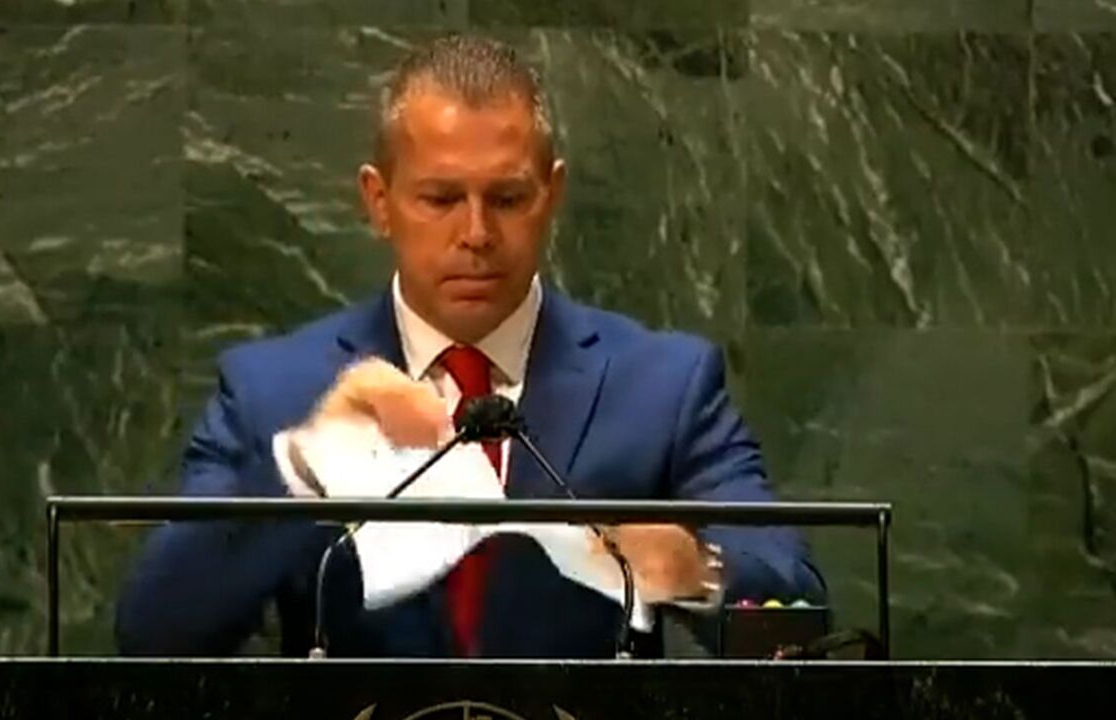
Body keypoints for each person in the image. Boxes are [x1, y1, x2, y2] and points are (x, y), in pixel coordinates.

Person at [114, 34, 826, 658]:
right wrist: (310, 468)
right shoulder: (273, 392)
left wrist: (696, 572)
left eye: (507, 199)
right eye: (441, 199)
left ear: (551, 195)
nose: (477, 233)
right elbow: (154, 636)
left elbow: (800, 618)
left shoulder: (664, 386)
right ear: (379, 201)